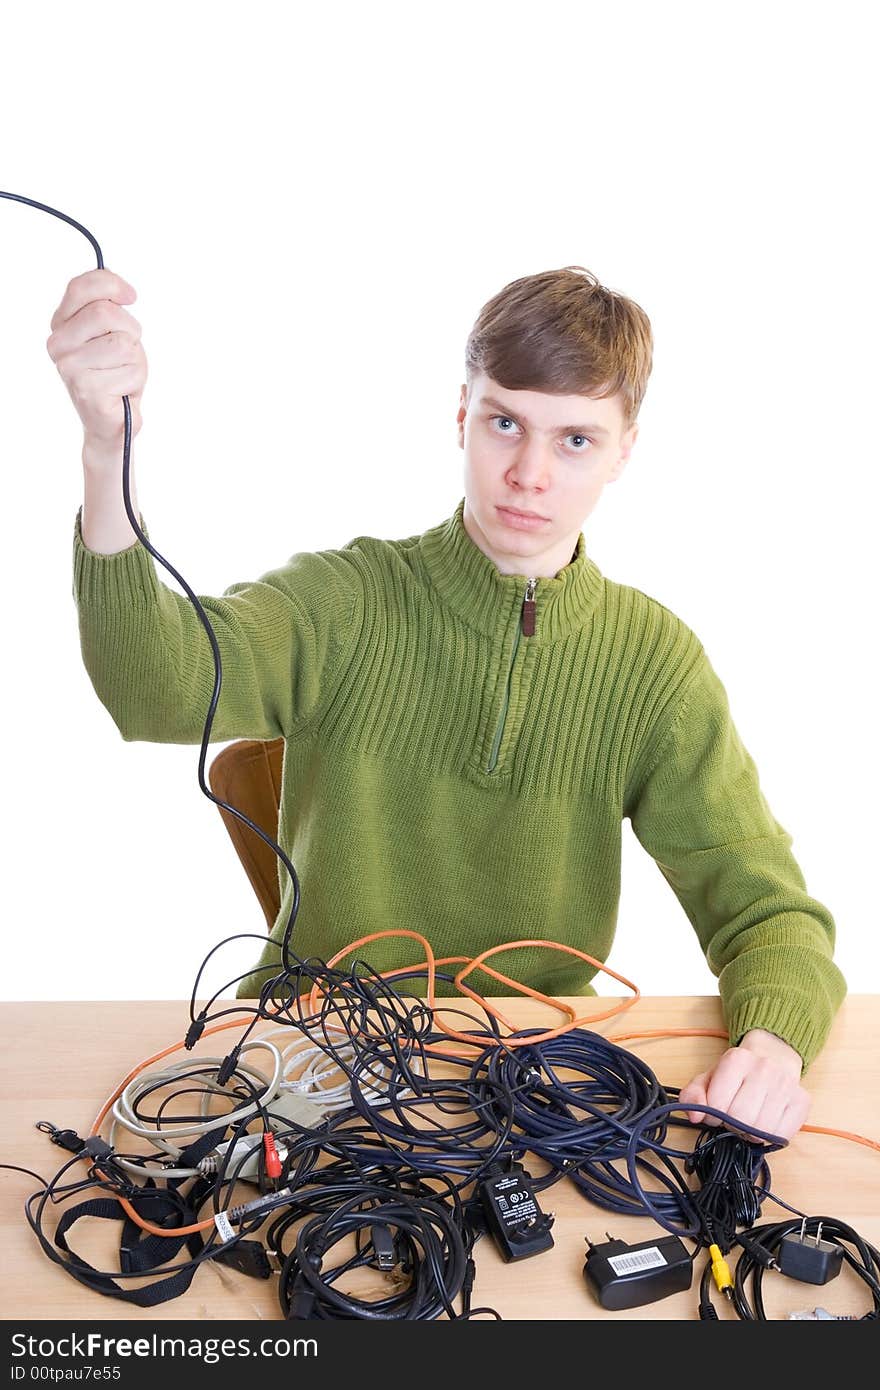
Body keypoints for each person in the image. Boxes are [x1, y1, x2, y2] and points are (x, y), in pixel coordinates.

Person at [49, 264, 846, 1142]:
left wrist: (772, 1046)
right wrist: (104, 454)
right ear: (462, 415)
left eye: (575, 440)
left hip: (535, 1083)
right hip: (313, 1063)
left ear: (625, 450)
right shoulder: (346, 601)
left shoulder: (654, 664)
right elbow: (154, 690)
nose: (530, 474)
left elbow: (765, 909)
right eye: (506, 423)